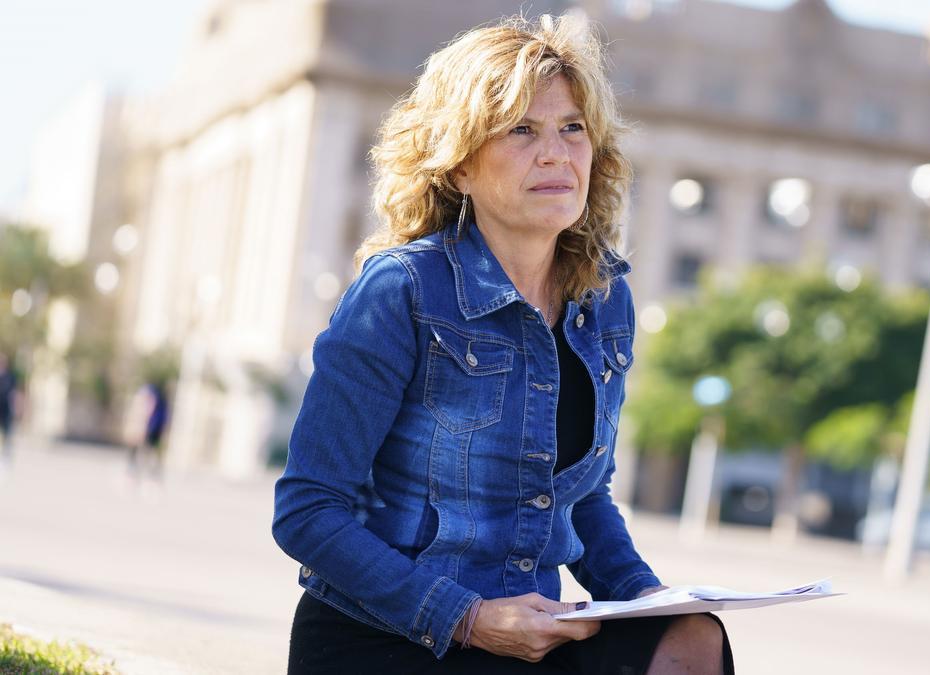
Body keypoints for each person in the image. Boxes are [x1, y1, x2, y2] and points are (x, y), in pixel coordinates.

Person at [272, 13, 734, 674]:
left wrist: (647, 595)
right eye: (521, 130)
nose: (555, 153)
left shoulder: (604, 300)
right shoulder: (403, 290)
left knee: (691, 637)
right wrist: (469, 617)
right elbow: (307, 512)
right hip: (392, 633)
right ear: (460, 164)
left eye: (571, 128)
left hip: (530, 632)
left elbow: (584, 497)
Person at [0, 353, 21, 468]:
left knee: (7, 433)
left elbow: (15, 393)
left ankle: (7, 456)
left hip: (6, 409)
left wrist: (17, 407)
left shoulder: (10, 376)